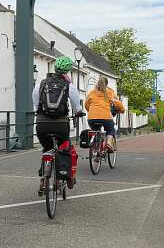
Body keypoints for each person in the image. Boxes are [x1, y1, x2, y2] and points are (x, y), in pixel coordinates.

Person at [32, 56, 83, 195]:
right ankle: (70, 177)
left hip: (42, 124)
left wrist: (40, 113)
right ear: (67, 71)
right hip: (61, 125)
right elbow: (77, 107)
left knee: (47, 148)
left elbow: (35, 104)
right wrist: (78, 113)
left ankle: (43, 177)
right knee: (66, 147)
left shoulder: (41, 84)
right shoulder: (69, 86)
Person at [84, 76, 125, 151]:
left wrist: (90, 111)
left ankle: (95, 149)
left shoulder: (92, 92)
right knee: (110, 129)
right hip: (106, 117)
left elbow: (86, 104)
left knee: (95, 130)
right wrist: (122, 110)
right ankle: (108, 144)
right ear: (106, 84)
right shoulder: (109, 92)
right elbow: (117, 102)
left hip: (92, 118)